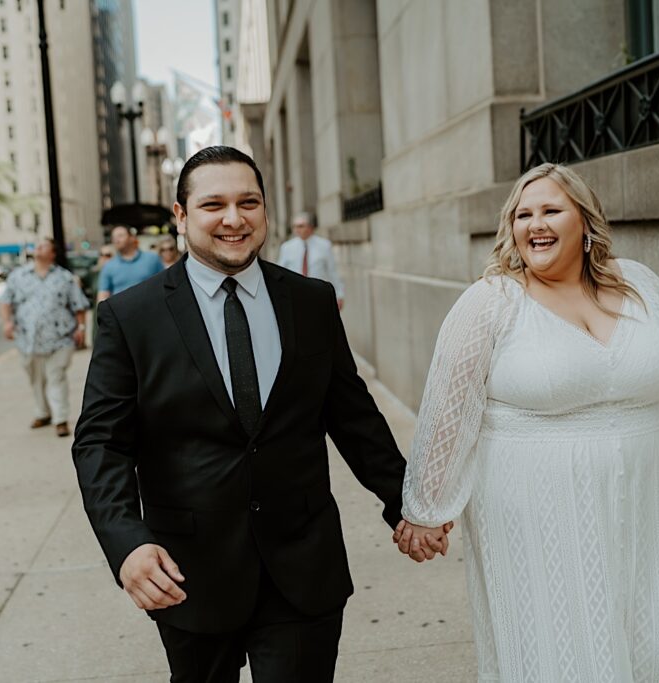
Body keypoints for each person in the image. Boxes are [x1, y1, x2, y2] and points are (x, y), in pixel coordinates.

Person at [72, 146, 444, 681]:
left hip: (303, 566)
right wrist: (127, 544)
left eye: (248, 202)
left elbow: (353, 418)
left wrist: (408, 503)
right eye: (213, 204)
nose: (233, 218)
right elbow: (100, 444)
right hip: (188, 574)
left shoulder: (312, 302)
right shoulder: (130, 318)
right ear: (181, 215)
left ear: (265, 211)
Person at [394, 163, 659, 681]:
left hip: (642, 501)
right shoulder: (491, 302)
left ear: (585, 223)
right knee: (562, 653)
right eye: (523, 214)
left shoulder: (641, 286)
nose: (534, 224)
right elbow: (449, 406)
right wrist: (427, 507)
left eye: (550, 210)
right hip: (533, 507)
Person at [0, 238, 90, 438]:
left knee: (56, 377)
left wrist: (81, 327)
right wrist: (7, 323)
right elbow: (6, 301)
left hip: (60, 339)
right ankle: (43, 413)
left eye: (43, 245)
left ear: (53, 253)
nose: (38, 248)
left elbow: (79, 305)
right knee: (36, 380)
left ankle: (61, 419)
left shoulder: (64, 278)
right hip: (28, 340)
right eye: (36, 245)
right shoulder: (18, 276)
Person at [278, 212, 345, 310]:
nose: (297, 230)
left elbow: (332, 271)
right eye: (295, 226)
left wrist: (339, 294)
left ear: (310, 227)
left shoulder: (324, 245)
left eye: (301, 226)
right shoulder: (287, 247)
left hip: (319, 294)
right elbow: (280, 272)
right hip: (295, 296)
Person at [96, 224, 163, 302]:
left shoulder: (152, 258)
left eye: (120, 236)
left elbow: (163, 284)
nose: (116, 240)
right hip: (121, 312)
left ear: (131, 238)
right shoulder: (108, 266)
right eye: (113, 237)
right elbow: (103, 295)